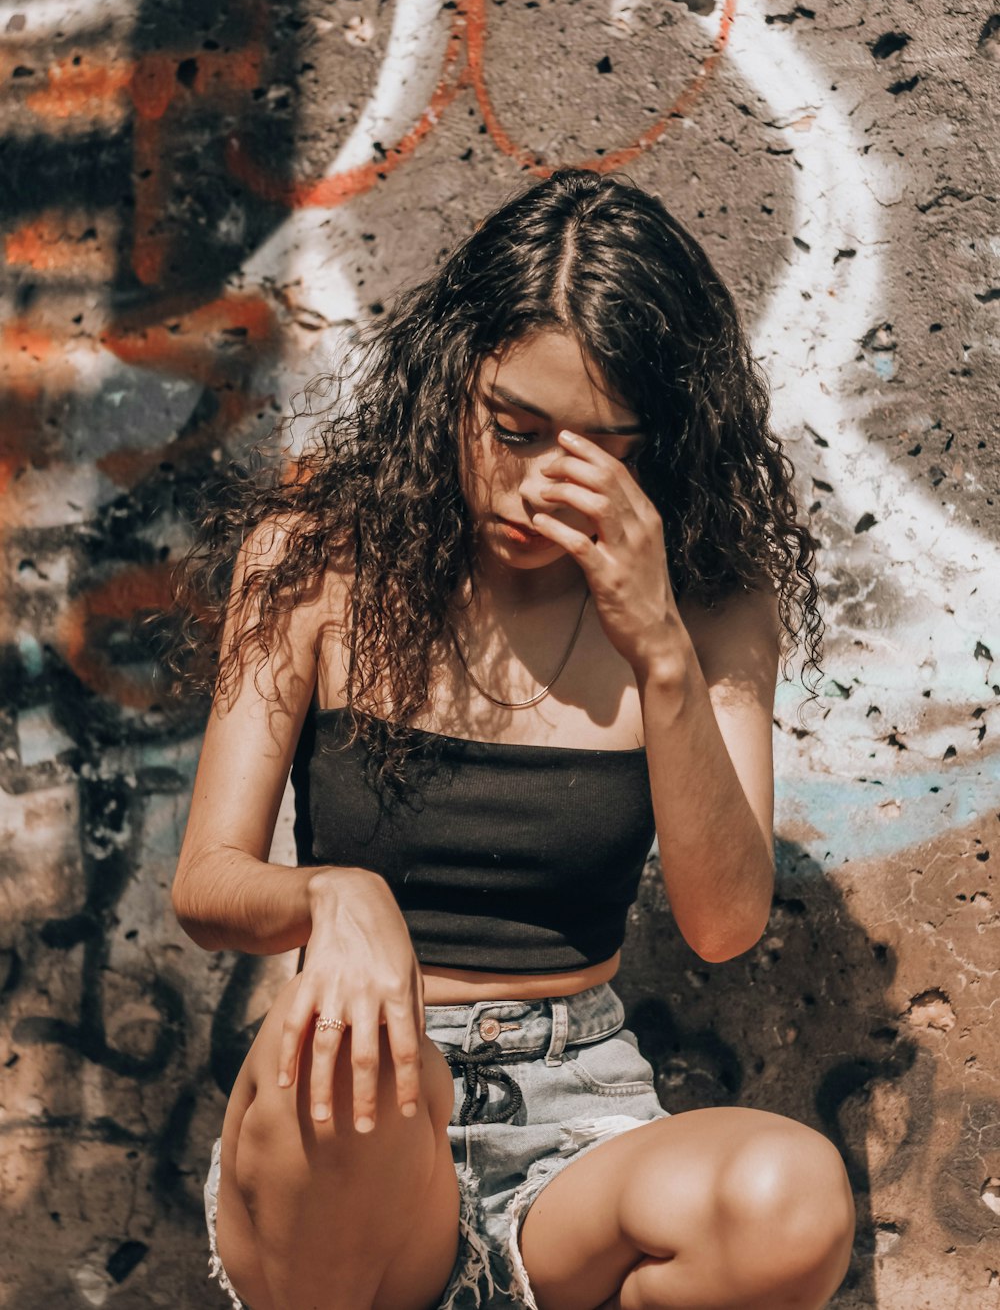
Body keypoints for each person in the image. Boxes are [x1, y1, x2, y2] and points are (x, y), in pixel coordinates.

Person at [169, 167, 855, 1310]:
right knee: (343, 1076)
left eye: (597, 450)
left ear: (658, 446)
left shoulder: (710, 605)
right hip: (352, 1092)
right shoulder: (314, 557)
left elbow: (724, 922)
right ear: (452, 382)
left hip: (577, 1109)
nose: (544, 484)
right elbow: (205, 884)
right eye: (514, 428)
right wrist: (332, 896)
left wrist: (662, 653)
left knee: (790, 1197)